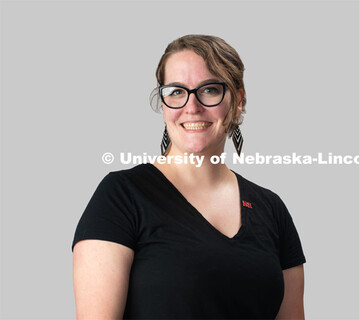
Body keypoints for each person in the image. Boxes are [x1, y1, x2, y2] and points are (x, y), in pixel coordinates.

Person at [72, 34, 306, 319]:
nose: (192, 107)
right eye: (176, 92)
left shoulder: (271, 208)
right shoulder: (121, 196)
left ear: (238, 100)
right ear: (163, 104)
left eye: (209, 90)